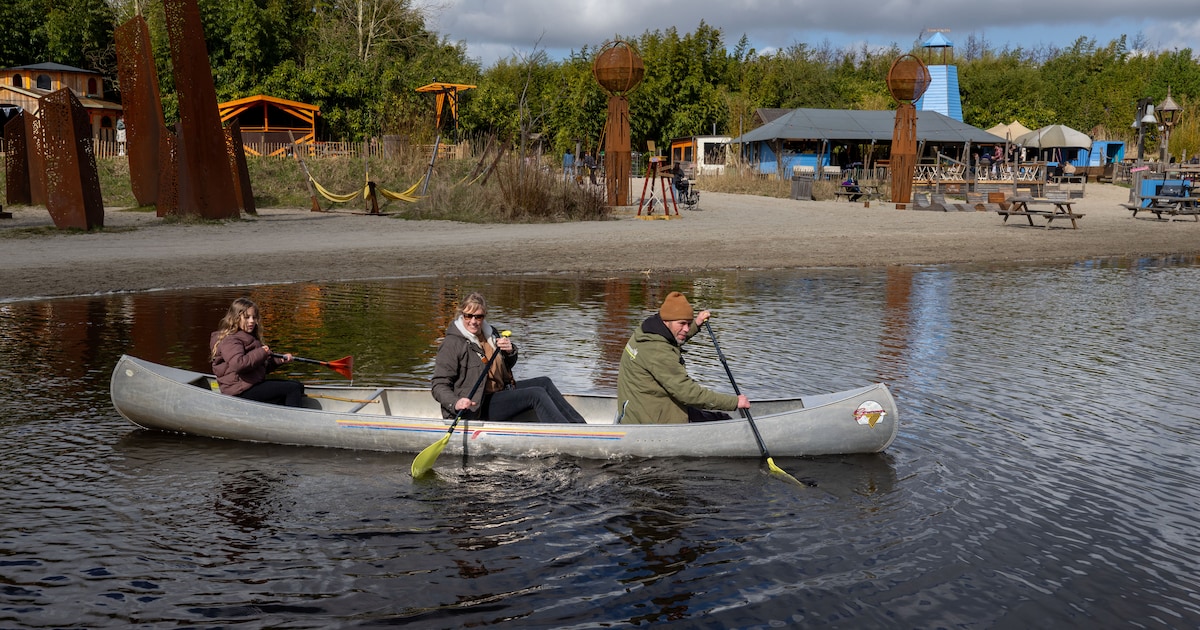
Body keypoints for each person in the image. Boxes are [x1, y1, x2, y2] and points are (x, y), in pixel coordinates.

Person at [431, 292, 586, 424]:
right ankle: (565, 434)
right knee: (536, 394)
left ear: (484, 316)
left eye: (478, 317)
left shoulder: (491, 334)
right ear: (462, 315)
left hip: (500, 392)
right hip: (476, 406)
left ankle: (581, 427)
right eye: (468, 316)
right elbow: (438, 385)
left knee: (544, 382)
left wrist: (510, 352)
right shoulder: (452, 344)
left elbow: (504, 367)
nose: (473, 321)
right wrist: (456, 402)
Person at [616, 291, 750, 424]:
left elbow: (673, 338)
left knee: (717, 417)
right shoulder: (659, 352)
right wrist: (734, 402)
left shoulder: (646, 332)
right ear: (666, 321)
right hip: (651, 420)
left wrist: (696, 324)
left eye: (688, 323)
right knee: (723, 420)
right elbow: (688, 393)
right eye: (682, 323)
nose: (686, 329)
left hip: (640, 409)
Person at [210, 297, 305, 407]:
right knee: (292, 389)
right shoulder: (230, 340)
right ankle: (291, 420)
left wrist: (279, 360)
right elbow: (238, 364)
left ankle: (275, 413)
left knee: (298, 386)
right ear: (236, 318)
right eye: (247, 317)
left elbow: (258, 367)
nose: (252, 321)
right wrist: (262, 352)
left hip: (251, 385)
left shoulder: (249, 337)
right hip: (238, 391)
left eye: (254, 317)